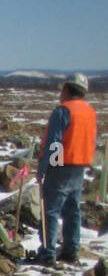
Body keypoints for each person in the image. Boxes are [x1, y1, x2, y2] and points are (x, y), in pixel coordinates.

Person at [36, 73, 98, 263]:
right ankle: (71, 250)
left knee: (51, 210)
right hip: (80, 166)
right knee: (72, 209)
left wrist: (44, 168)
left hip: (61, 165)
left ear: (68, 89)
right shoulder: (89, 112)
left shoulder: (63, 111)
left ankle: (48, 253)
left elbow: (54, 142)